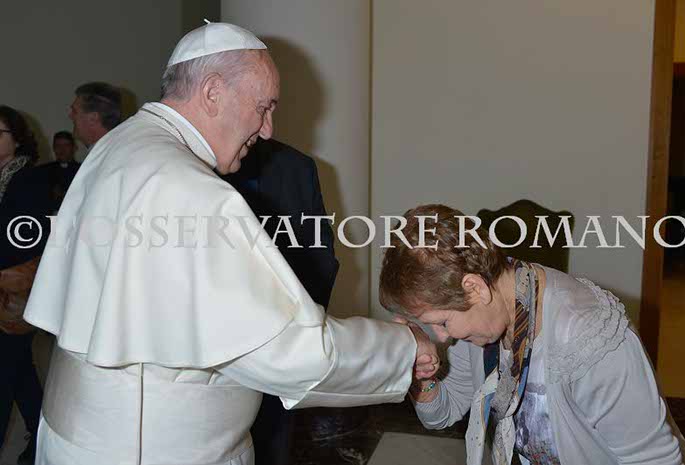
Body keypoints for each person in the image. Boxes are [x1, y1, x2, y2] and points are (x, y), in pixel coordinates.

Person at [23, 22, 439, 465]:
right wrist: (404, 346)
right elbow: (290, 352)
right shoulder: (189, 189)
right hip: (156, 448)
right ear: (212, 93)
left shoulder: (121, 146)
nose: (267, 129)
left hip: (83, 433)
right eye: (263, 108)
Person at [379, 204, 685, 465]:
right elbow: (443, 413)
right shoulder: (483, 317)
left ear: (474, 288)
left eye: (443, 323)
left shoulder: (590, 335)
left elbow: (655, 460)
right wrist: (422, 375)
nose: (443, 338)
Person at [221, 138, 339, 465]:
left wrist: (301, 328)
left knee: (273, 443)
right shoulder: (185, 167)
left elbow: (322, 258)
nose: (266, 126)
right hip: (218, 358)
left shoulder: (296, 166)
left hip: (282, 342)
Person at [0, 105, 45, 465]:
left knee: (5, 374)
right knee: (20, 373)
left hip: (14, 292)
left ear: (16, 140)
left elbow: (25, 238)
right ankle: (41, 439)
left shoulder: (28, 179)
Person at [33, 131, 80, 214]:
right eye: (58, 146)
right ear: (54, 148)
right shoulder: (42, 171)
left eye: (66, 145)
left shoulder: (82, 170)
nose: (62, 149)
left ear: (74, 148)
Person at [68, 82, 122, 148]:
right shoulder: (111, 148)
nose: (70, 116)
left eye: (74, 111)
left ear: (93, 118)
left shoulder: (112, 152)